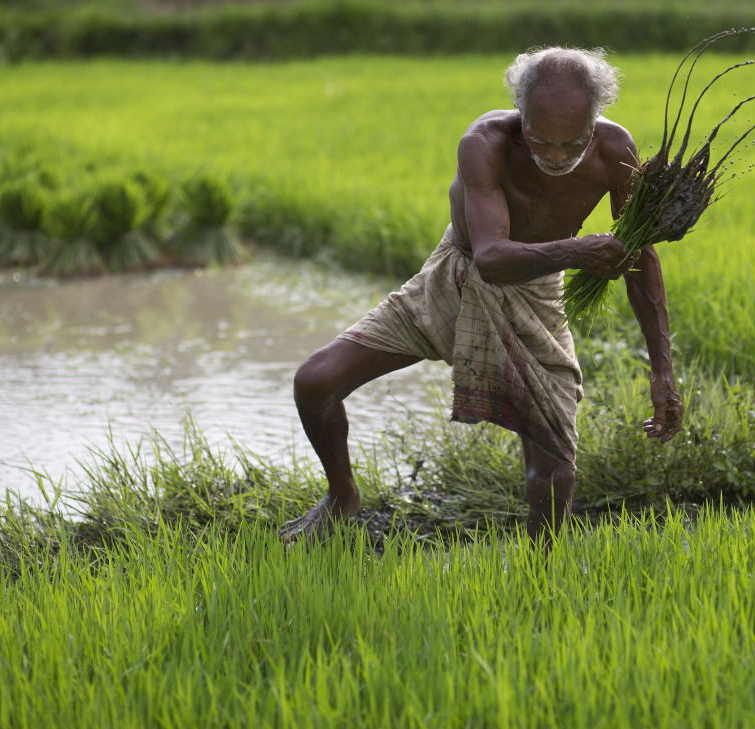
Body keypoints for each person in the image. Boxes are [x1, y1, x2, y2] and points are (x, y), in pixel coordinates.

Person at [282, 47, 684, 544]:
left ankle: (544, 571)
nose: (556, 157)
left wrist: (662, 369)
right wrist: (579, 250)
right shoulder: (486, 142)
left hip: (536, 297)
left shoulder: (614, 151)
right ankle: (342, 497)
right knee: (315, 382)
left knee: (555, 461)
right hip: (455, 277)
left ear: (596, 120)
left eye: (572, 143)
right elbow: (491, 258)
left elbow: (640, 258)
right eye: (541, 141)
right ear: (521, 114)